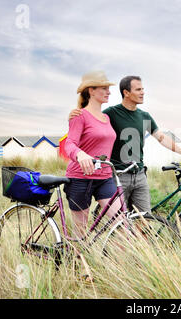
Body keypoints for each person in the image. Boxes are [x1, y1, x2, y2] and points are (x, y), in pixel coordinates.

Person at [69, 75, 181, 214]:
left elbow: (161, 138)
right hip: (118, 175)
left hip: (140, 174)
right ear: (126, 93)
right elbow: (91, 120)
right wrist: (76, 112)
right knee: (119, 221)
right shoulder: (110, 114)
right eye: (138, 89)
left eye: (143, 89)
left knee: (144, 218)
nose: (143, 92)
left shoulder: (144, 116)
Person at [64, 70, 121, 239]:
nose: (109, 92)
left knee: (121, 221)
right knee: (80, 232)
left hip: (104, 177)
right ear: (91, 90)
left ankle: (119, 263)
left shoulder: (106, 118)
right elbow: (69, 143)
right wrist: (80, 155)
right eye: (104, 88)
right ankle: (76, 262)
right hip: (80, 178)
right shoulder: (79, 115)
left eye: (108, 88)